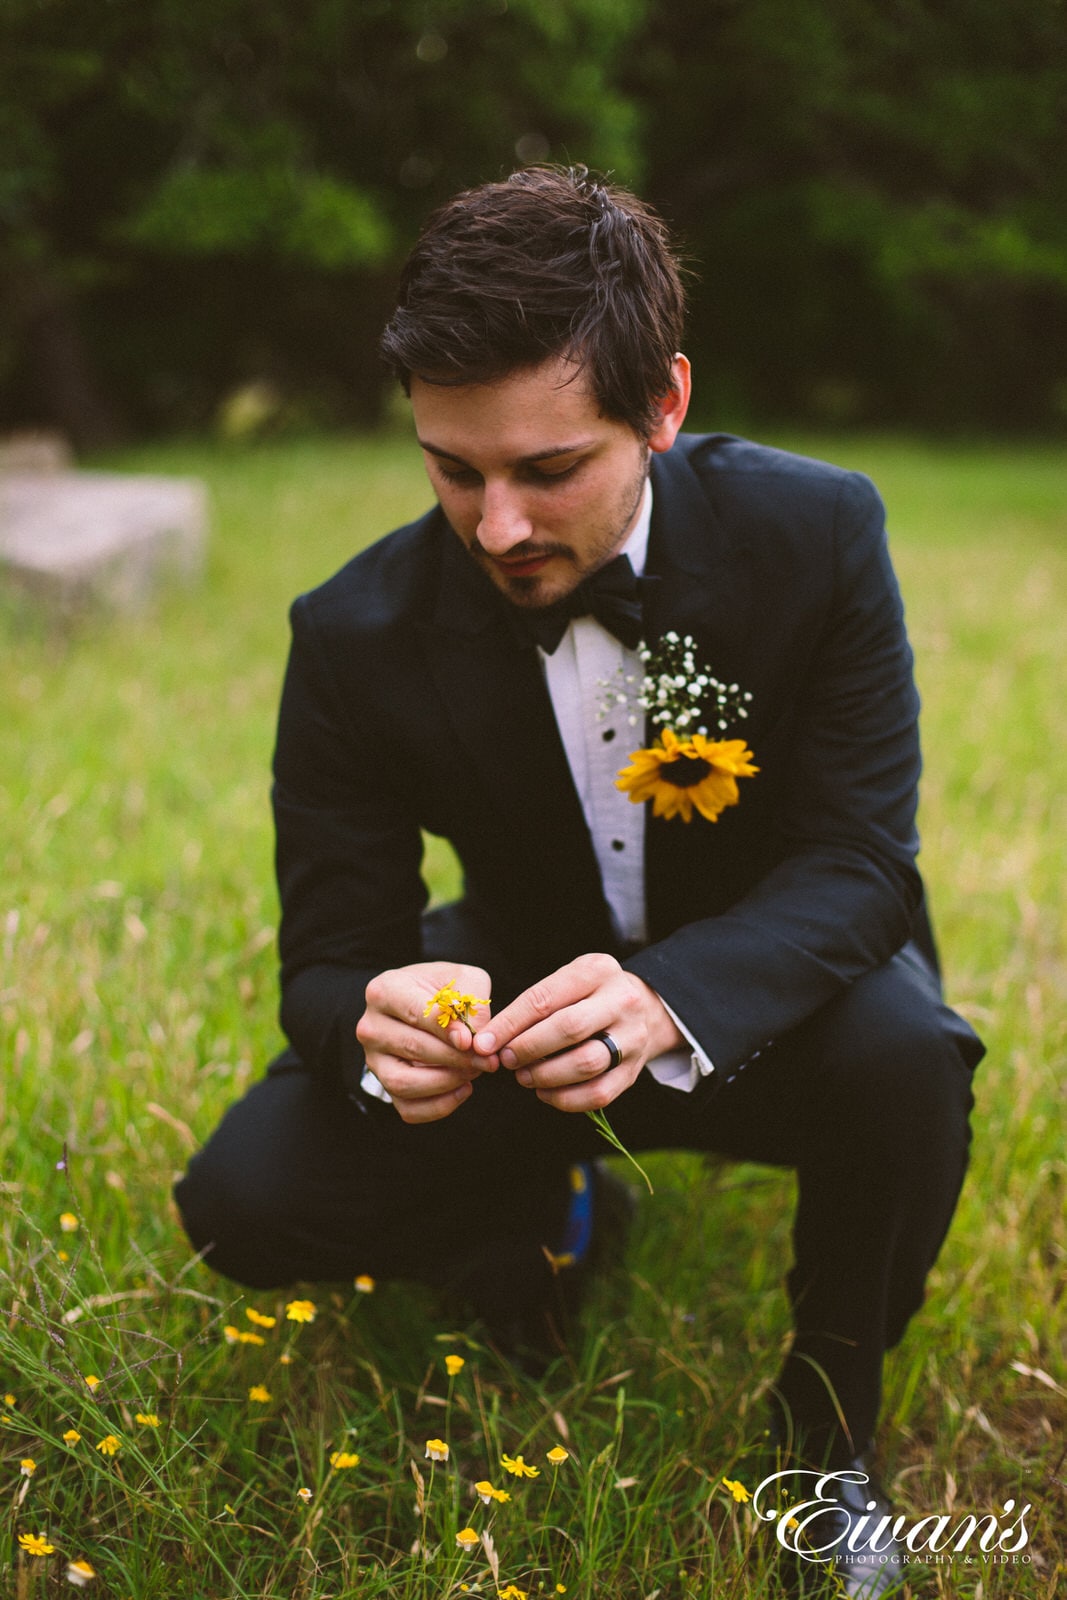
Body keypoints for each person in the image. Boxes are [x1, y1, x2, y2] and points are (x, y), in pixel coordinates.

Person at [175, 166, 983, 1596]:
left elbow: (861, 861)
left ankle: (826, 1436)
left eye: (548, 471)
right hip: (522, 1020)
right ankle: (540, 1219)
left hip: (771, 1004)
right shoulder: (350, 635)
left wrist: (672, 998)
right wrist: (379, 1021)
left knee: (911, 1052)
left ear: (663, 407)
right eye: (452, 468)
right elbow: (327, 957)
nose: (496, 528)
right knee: (245, 1195)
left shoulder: (819, 533)